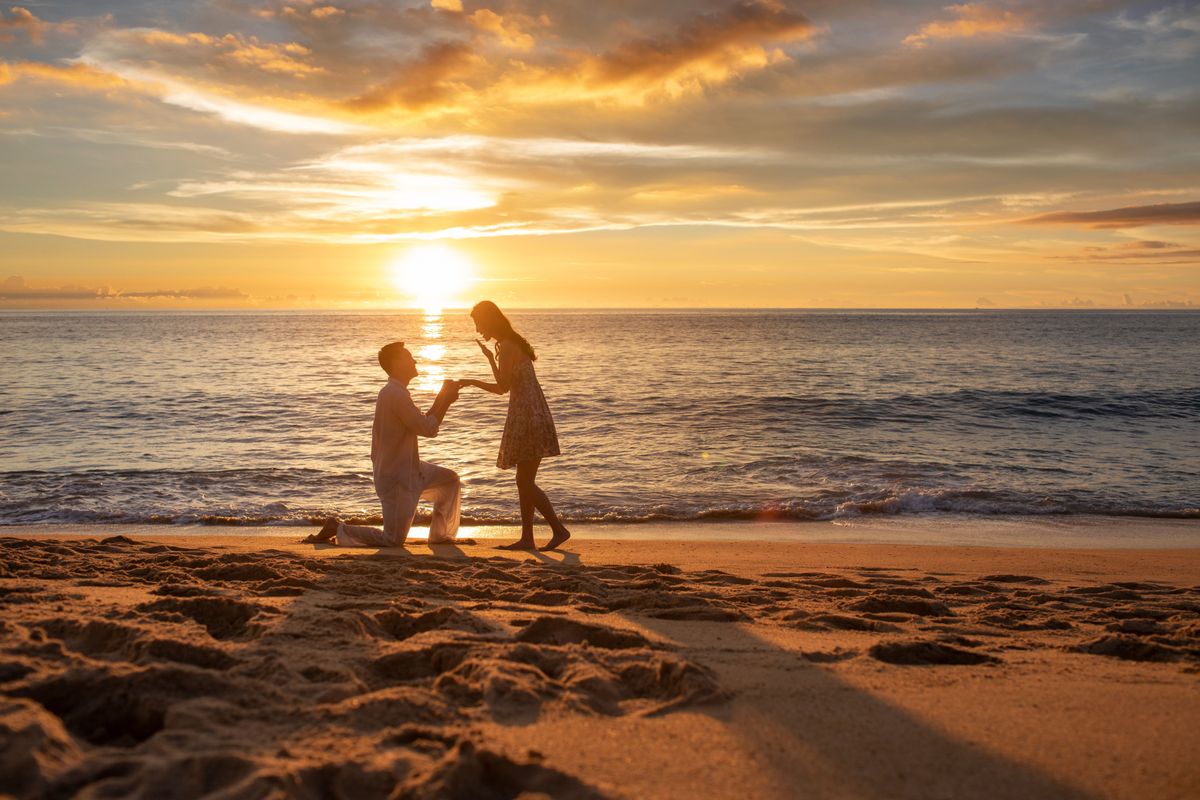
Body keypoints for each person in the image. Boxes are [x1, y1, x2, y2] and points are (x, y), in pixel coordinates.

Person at [304, 341, 461, 547]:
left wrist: (442, 397)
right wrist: (445, 401)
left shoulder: (397, 392)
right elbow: (427, 429)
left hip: (412, 469)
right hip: (396, 478)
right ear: (396, 363)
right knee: (392, 540)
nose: (414, 360)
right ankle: (338, 528)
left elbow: (421, 422)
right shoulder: (394, 394)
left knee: (449, 481)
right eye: (408, 357)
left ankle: (440, 536)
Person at [457, 301, 570, 551]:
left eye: (479, 322)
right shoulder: (511, 343)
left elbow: (501, 388)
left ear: (490, 320)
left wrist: (471, 381)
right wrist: (489, 357)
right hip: (531, 415)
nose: (478, 329)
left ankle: (559, 529)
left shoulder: (508, 346)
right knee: (523, 480)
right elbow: (506, 383)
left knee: (525, 482)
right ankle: (527, 538)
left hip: (527, 418)